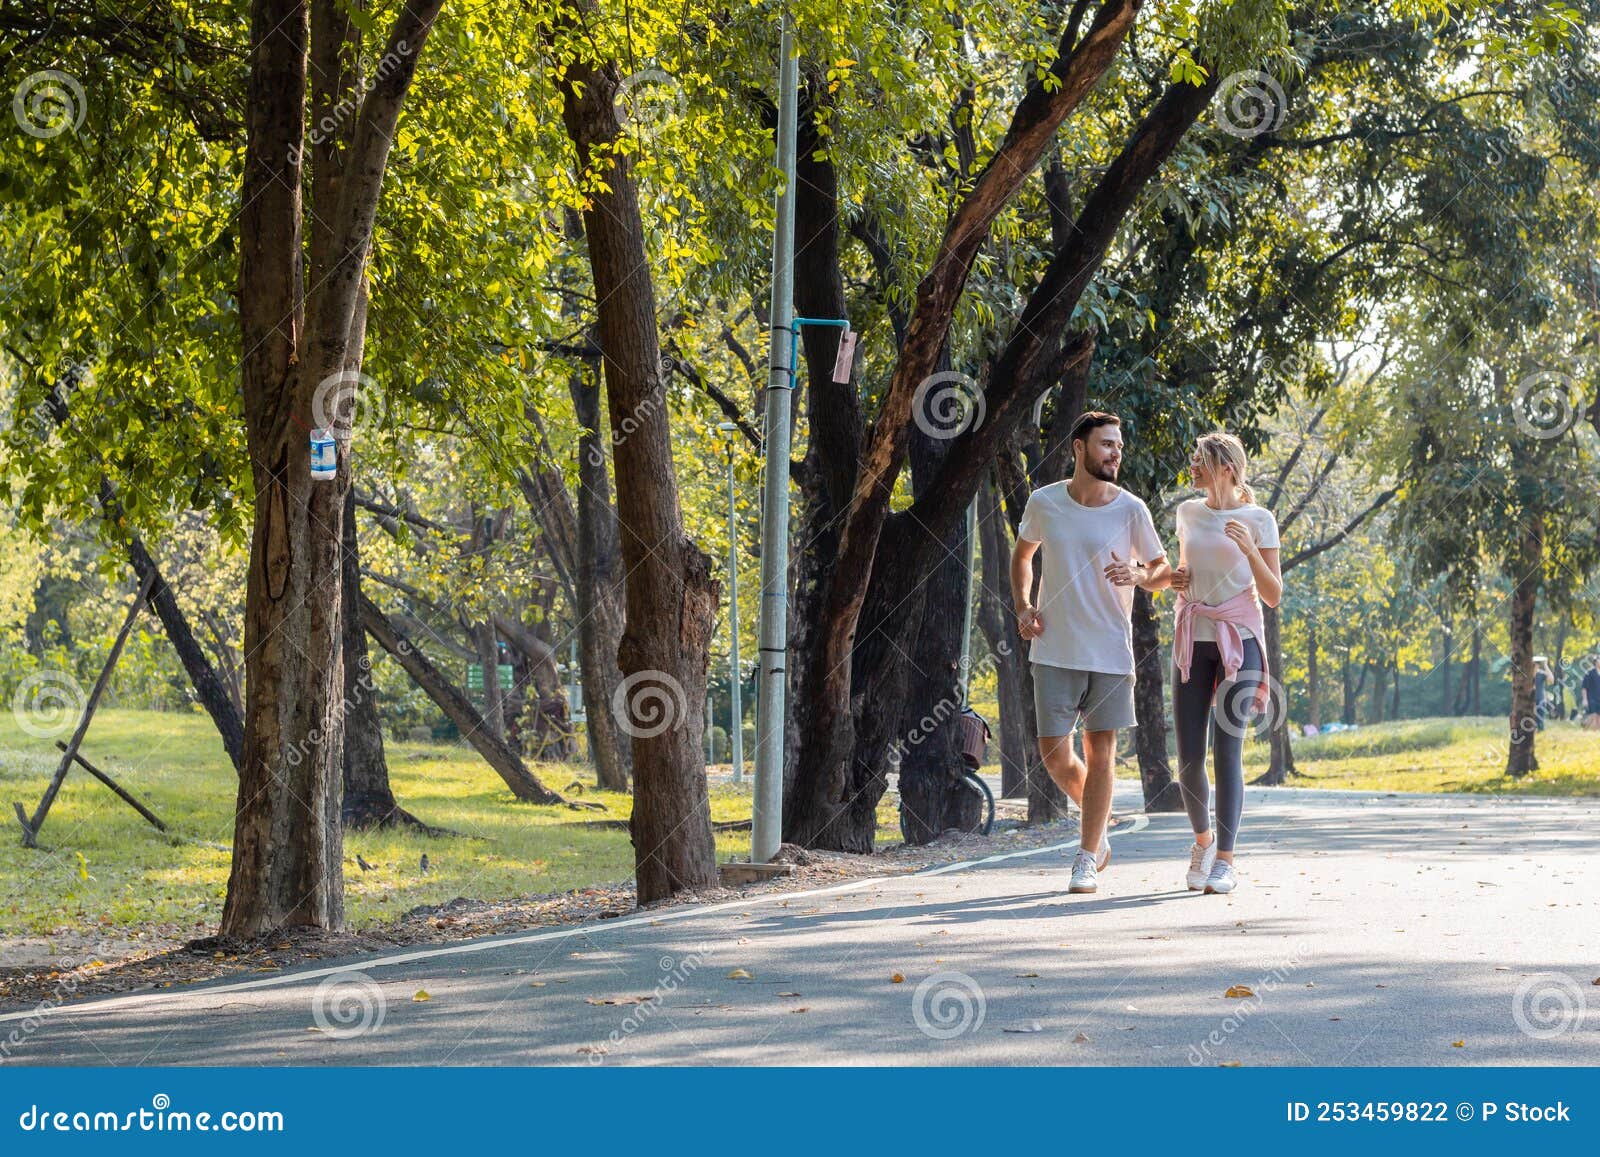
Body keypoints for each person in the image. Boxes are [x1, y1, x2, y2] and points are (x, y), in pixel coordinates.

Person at [1011, 412, 1170, 895]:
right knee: (1054, 755)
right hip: (1054, 647)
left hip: (1110, 651)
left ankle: (1086, 855)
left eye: (1118, 446)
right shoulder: (1045, 502)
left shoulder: (1131, 509)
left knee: (1101, 753)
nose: (1115, 453)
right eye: (1105, 445)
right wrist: (1023, 604)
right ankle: (1098, 828)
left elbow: (1163, 569)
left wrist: (1140, 576)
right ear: (1079, 448)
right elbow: (1023, 556)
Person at [1150, 432, 1282, 896]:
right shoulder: (1188, 512)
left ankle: (1226, 860)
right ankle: (1203, 843)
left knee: (1227, 752)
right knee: (1187, 759)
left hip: (1238, 642)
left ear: (1225, 467)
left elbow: (1272, 594)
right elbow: (1178, 573)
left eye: (1200, 459)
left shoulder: (1259, 519)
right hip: (1193, 639)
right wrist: (1173, 579)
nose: (1192, 465)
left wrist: (1248, 548)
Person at [1532, 656, 1551, 731]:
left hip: (1541, 700)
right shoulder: (1526, 673)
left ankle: (1540, 733)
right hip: (1530, 700)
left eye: (1536, 665)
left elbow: (1551, 680)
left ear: (1538, 665)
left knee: (1540, 722)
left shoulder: (1541, 674)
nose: (1534, 666)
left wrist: (1546, 666)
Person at [1582, 656, 1600, 731]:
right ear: (1595, 662)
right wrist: (1585, 699)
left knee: (1598, 716)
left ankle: (1595, 733)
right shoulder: (1589, 673)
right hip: (1591, 698)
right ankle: (1584, 730)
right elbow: (1584, 687)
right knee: (1593, 715)